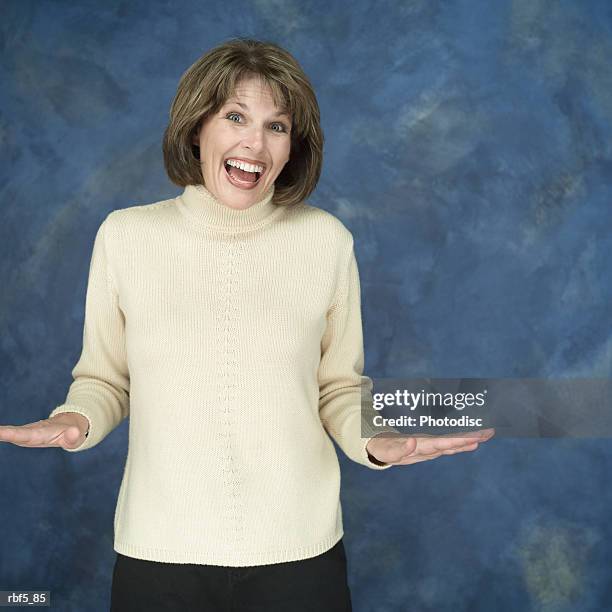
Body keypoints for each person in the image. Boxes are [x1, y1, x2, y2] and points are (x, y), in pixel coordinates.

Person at [0, 37, 494, 611]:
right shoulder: (125, 236)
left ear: (291, 149)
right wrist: (74, 420)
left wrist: (378, 443)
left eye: (277, 127)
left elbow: (337, 388)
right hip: (160, 557)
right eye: (235, 116)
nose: (254, 143)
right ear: (196, 129)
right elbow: (106, 380)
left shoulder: (326, 241)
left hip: (301, 558)